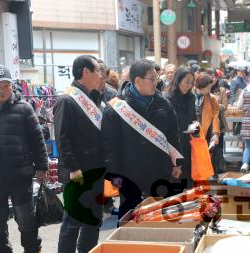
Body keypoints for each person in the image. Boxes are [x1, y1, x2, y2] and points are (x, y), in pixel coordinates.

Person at [101, 59, 183, 219]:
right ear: (137, 80)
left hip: (160, 172)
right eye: (152, 79)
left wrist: (178, 163)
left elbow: (174, 134)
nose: (156, 83)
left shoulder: (163, 103)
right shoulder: (116, 108)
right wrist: (115, 176)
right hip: (130, 175)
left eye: (157, 78)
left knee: (160, 219)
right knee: (131, 221)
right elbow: (109, 147)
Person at [0, 64, 48, 253]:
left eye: (6, 86)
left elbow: (37, 140)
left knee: (28, 224)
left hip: (21, 177)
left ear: (12, 86)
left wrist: (42, 167)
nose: (2, 91)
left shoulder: (24, 109)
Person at [54, 55, 106, 253]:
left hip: (96, 169)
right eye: (97, 71)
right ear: (85, 72)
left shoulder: (94, 97)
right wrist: (73, 167)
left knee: (93, 219)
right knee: (73, 222)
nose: (101, 76)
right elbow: (62, 138)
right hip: (78, 171)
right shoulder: (68, 99)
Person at [166, 67, 196, 188]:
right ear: (178, 81)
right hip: (173, 143)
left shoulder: (191, 98)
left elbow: (194, 118)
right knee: (176, 181)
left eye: (191, 82)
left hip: (188, 142)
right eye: (187, 81)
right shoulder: (167, 99)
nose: (189, 85)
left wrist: (194, 127)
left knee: (189, 180)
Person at [194, 74, 220, 150]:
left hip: (206, 132)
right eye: (208, 88)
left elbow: (216, 116)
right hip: (191, 132)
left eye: (210, 88)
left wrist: (215, 134)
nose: (209, 90)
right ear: (200, 87)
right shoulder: (189, 96)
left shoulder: (212, 98)